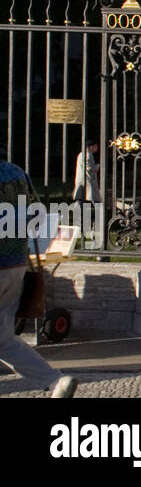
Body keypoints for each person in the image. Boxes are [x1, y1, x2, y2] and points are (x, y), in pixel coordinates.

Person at [0, 160, 76, 397]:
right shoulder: (16, 172)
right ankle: (55, 381)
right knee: (3, 339)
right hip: (15, 264)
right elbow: (37, 215)